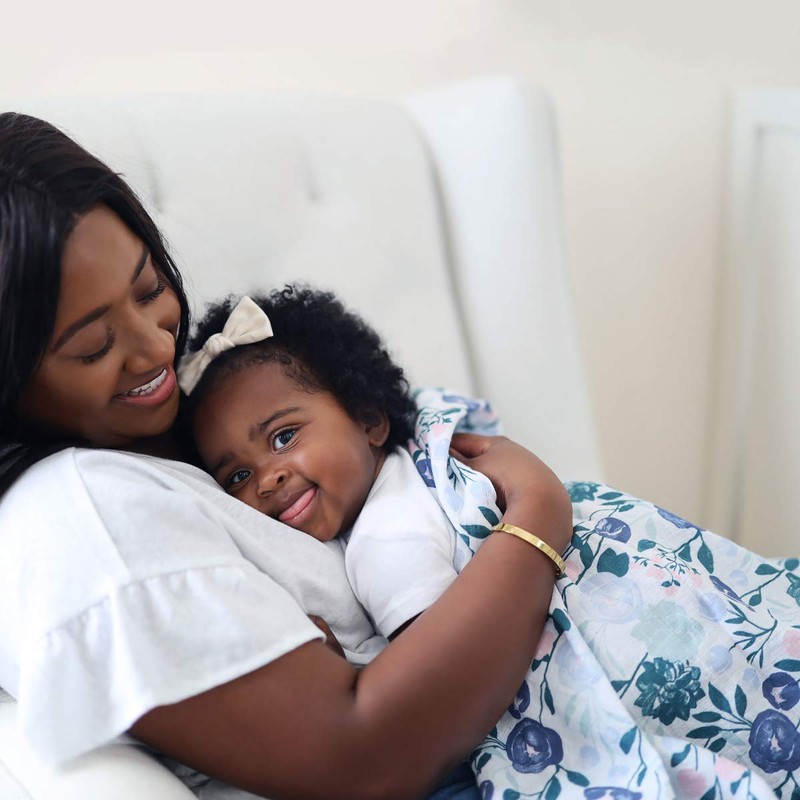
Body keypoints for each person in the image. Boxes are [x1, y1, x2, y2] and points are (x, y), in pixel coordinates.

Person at [0, 112, 572, 800]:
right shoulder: (87, 517)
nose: (156, 347)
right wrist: (538, 517)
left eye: (149, 289)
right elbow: (365, 758)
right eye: (93, 346)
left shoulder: (185, 421)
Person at [178, 287, 549, 643]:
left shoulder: (393, 519)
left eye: (284, 437)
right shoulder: (386, 540)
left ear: (368, 417)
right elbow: (459, 665)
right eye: (239, 476)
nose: (266, 480)